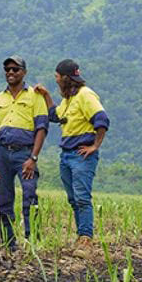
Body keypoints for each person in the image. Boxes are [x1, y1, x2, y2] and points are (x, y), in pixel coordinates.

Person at [0, 56, 50, 249]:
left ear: (24, 72)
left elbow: (42, 128)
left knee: (29, 195)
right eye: (7, 69)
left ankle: (33, 241)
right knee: (3, 199)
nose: (11, 72)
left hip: (25, 153)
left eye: (15, 69)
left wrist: (33, 158)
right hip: (2, 153)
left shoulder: (35, 97)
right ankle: (8, 243)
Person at [46, 59, 108, 253]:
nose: (56, 80)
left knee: (82, 198)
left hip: (81, 155)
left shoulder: (85, 95)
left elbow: (102, 119)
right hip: (66, 155)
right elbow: (55, 116)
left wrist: (95, 146)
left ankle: (86, 239)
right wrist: (46, 95)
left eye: (57, 77)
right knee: (73, 199)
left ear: (65, 78)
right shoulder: (68, 99)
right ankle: (81, 236)